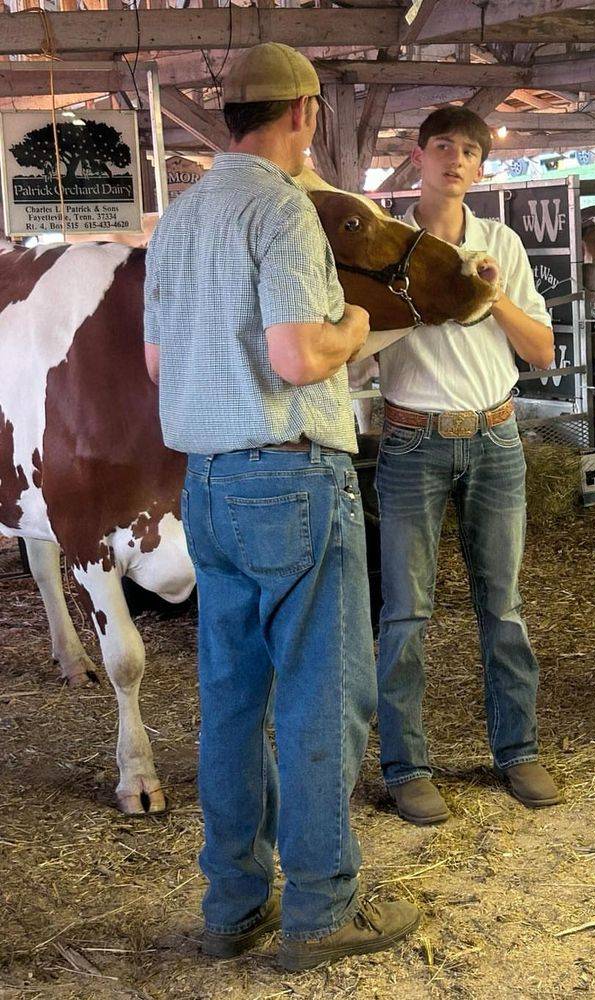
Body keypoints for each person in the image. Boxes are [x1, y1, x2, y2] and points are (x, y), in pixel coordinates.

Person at [143, 42, 419, 970]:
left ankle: (232, 904)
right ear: (305, 111)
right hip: (290, 477)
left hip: (208, 486)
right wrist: (354, 325)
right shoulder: (283, 209)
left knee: (228, 701)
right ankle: (320, 910)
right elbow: (299, 356)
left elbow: (155, 366)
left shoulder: (178, 220)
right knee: (321, 697)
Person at [375, 106, 563, 826]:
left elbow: (541, 351)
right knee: (407, 612)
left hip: (496, 437)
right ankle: (406, 767)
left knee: (504, 607)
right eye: (443, 147)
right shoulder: (392, 245)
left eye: (470, 151)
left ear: (483, 168)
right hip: (413, 439)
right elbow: (364, 336)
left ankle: (518, 751)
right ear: (416, 157)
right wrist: (426, 297)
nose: (456, 160)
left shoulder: (501, 244)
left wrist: (491, 297)